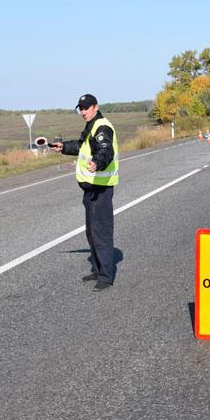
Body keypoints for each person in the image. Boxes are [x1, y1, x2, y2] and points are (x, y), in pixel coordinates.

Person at [50, 94, 119, 291]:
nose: (82, 111)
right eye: (80, 108)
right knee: (91, 232)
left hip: (101, 188)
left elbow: (105, 150)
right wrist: (64, 147)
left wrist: (98, 162)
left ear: (96, 107)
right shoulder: (91, 125)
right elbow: (82, 146)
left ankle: (106, 277)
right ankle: (98, 269)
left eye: (86, 108)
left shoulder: (102, 127)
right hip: (90, 188)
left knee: (101, 233)